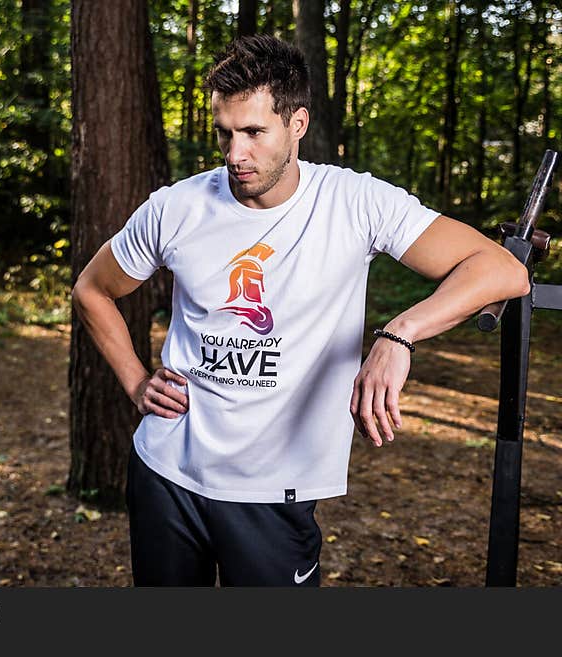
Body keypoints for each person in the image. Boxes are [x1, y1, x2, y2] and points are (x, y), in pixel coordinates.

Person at [70, 34, 530, 586]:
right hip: (166, 473)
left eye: (254, 133)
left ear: (298, 125)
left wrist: (399, 334)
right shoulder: (177, 207)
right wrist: (135, 380)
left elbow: (502, 269)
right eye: (225, 133)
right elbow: (92, 289)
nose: (235, 153)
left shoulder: (355, 202)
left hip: (274, 491)